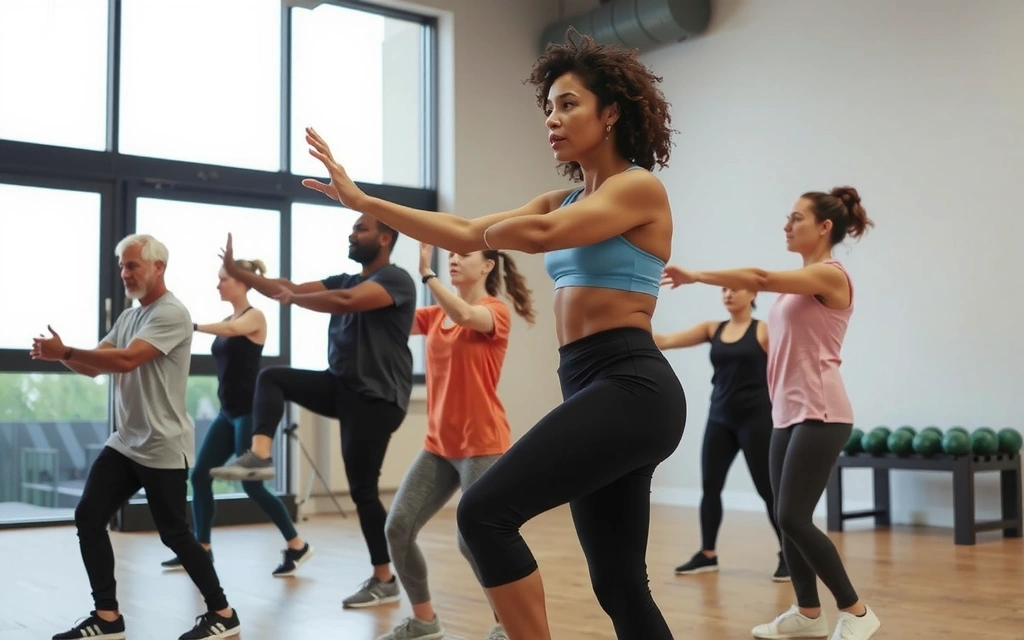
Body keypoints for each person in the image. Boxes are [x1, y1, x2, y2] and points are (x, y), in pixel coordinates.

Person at [300, 29, 686, 640]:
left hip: (632, 384)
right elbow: (463, 230)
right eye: (548, 107)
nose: (552, 119)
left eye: (568, 104)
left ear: (611, 112)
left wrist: (485, 232)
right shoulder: (562, 198)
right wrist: (363, 199)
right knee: (619, 585)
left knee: (483, 513)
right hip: (588, 382)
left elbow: (533, 237)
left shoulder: (638, 187)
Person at [659, 186, 881, 640]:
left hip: (822, 412)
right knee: (785, 517)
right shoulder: (794, 289)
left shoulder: (831, 276)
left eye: (796, 218)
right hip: (786, 413)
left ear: (825, 226)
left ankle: (857, 613)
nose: (786, 225)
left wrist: (696, 274)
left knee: (795, 517)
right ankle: (808, 612)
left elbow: (759, 276)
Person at [32, 233, 241, 640]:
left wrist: (67, 352)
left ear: (158, 267)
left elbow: (128, 360)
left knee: (175, 535)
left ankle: (223, 612)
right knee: (89, 516)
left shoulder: (172, 313)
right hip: (126, 442)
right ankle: (107, 616)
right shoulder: (129, 317)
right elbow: (97, 366)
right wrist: (64, 356)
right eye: (122, 267)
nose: (125, 273)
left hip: (162, 445)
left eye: (132, 266)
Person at [206, 218, 416, 609]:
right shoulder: (343, 279)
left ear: (385, 239)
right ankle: (260, 456)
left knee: (363, 491)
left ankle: (384, 578)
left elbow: (346, 302)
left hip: (377, 398)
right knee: (273, 377)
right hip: (341, 386)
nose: (352, 234)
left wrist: (294, 299)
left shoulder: (396, 279)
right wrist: (238, 271)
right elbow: (286, 287)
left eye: (361, 229)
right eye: (352, 228)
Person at [378, 241, 535, 640]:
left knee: (474, 542)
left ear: (487, 266)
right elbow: (388, 319)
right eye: (448, 255)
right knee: (398, 528)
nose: (452, 260)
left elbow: (465, 314)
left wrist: (426, 273)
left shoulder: (495, 312)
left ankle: (507, 625)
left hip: (483, 444)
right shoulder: (434, 316)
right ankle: (424, 622)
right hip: (438, 446)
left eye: (461, 255)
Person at [158, 258, 314, 578]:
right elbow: (225, 331)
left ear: (242, 282)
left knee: (252, 486)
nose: (218, 285)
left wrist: (193, 326)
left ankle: (297, 544)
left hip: (250, 412)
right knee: (200, 475)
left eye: (224, 279)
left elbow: (231, 330)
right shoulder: (227, 319)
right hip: (227, 413)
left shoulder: (254, 317)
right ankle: (202, 549)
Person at [654, 288, 789, 582]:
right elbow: (663, 341)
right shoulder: (712, 329)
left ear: (752, 293)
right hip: (719, 418)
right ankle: (707, 554)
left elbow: (786, 369)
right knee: (710, 487)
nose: (728, 294)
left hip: (756, 420)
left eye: (735, 288)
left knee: (768, 490)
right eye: (724, 289)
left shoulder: (764, 330)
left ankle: (788, 554)